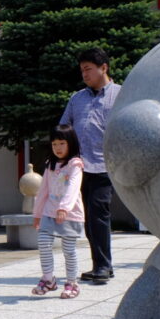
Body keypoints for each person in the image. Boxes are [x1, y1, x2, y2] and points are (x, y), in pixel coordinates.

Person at [59, 47, 120, 283]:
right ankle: (100, 265)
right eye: (82, 70)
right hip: (79, 168)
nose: (84, 74)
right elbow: (64, 128)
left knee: (98, 214)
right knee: (86, 217)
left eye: (88, 69)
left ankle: (104, 265)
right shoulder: (77, 99)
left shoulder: (121, 95)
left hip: (105, 166)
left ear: (104, 68)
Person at [31, 125, 85, 299]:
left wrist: (64, 208)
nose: (58, 148)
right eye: (54, 144)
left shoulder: (75, 165)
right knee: (43, 243)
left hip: (70, 213)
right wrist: (37, 214)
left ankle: (72, 283)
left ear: (71, 143)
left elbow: (73, 188)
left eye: (62, 143)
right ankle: (48, 279)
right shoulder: (50, 165)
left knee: (68, 249)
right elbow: (43, 191)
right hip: (49, 212)